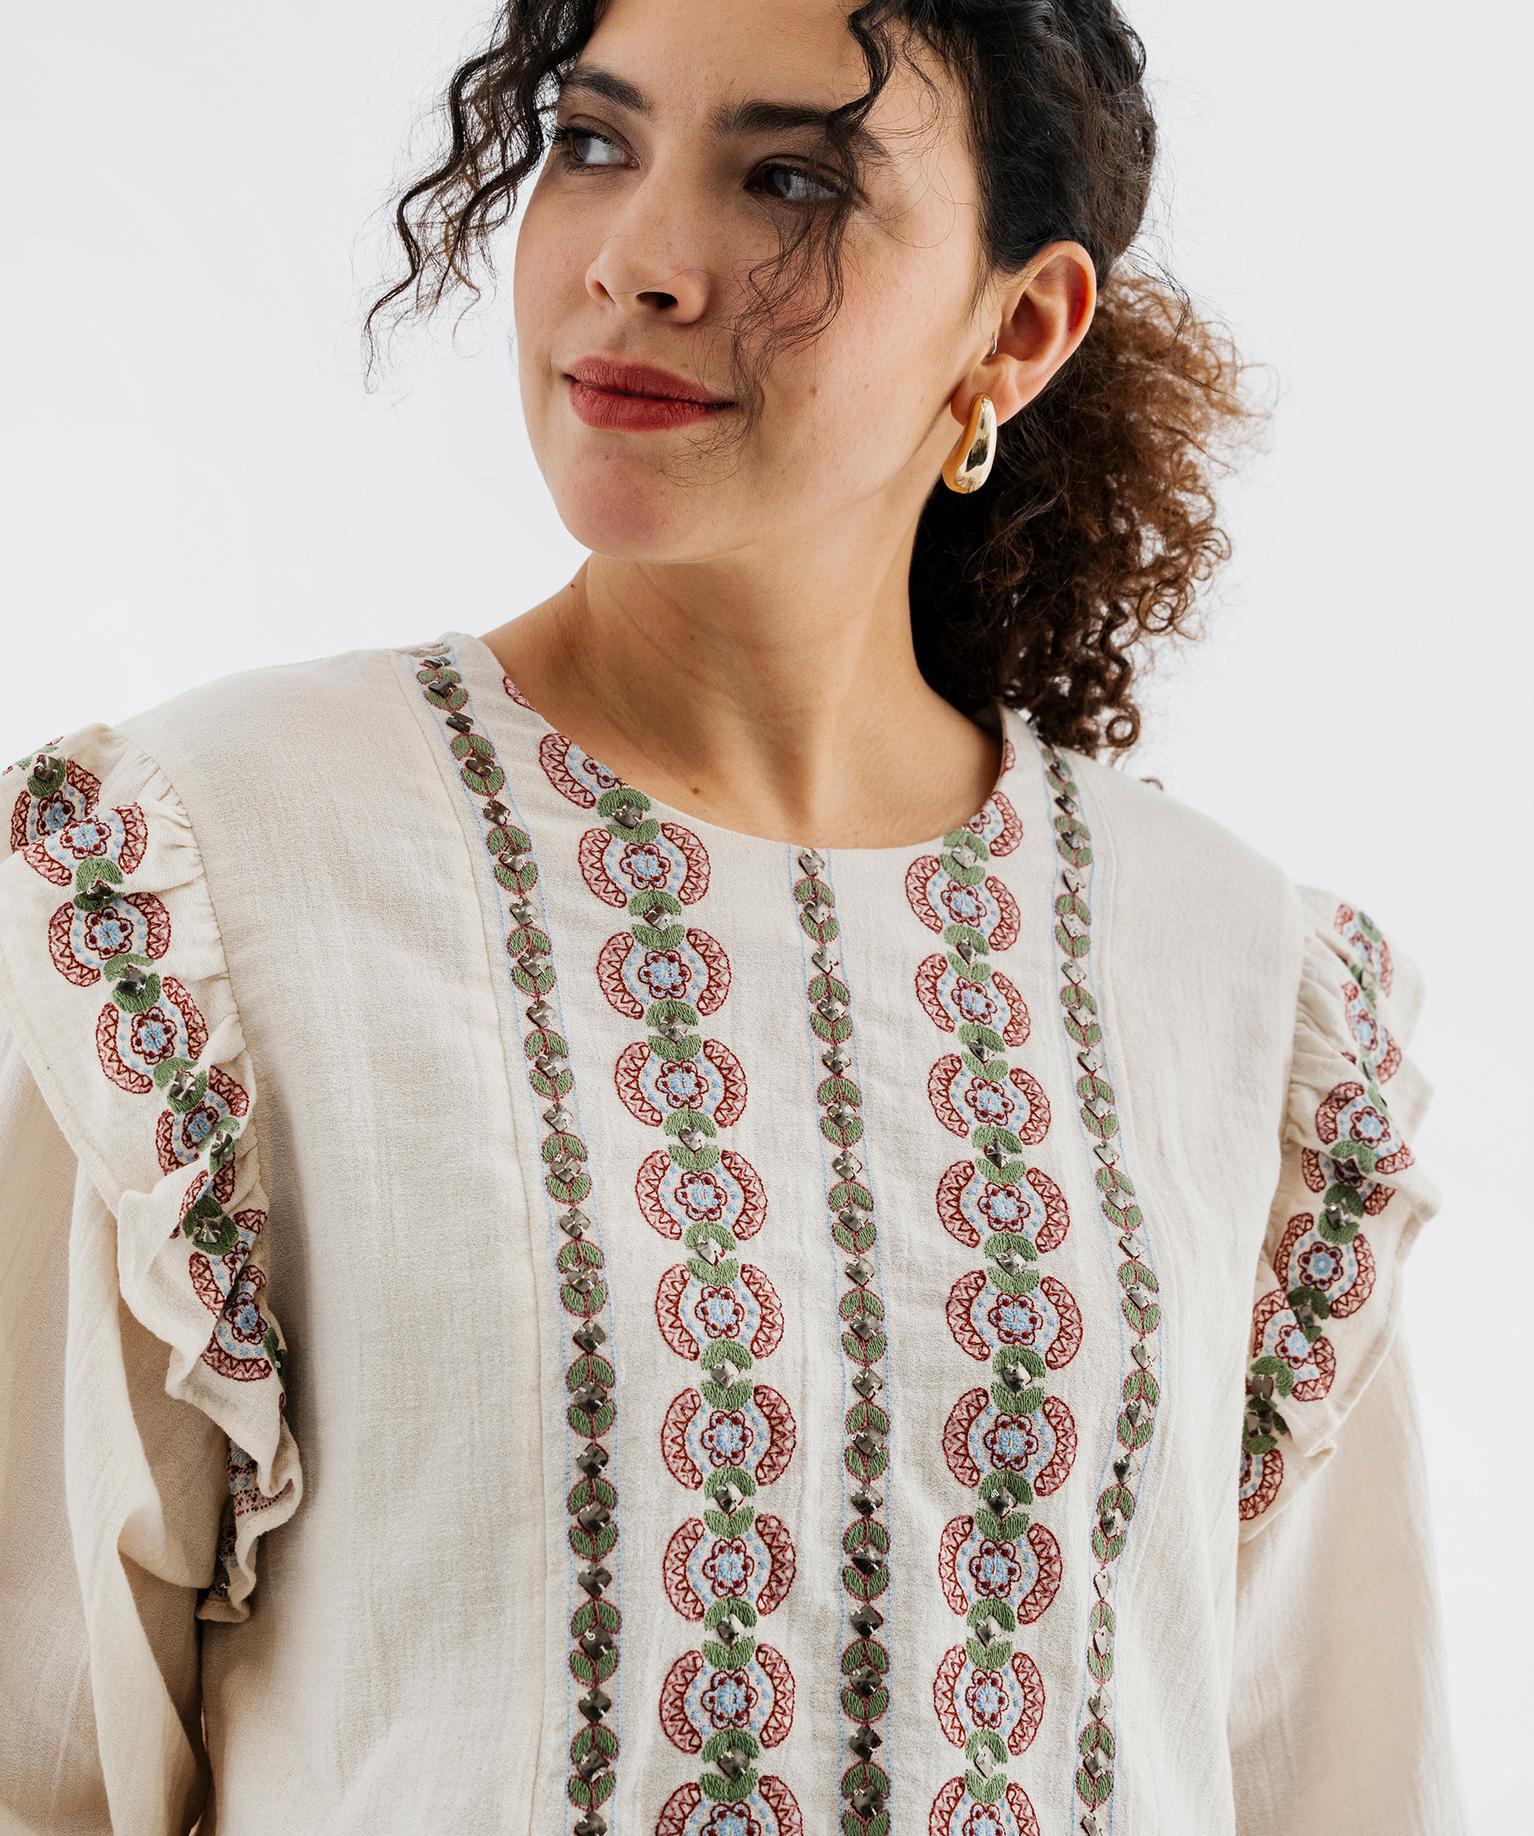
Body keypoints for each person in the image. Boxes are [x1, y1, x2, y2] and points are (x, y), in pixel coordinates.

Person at [0, 2, 1468, 1832]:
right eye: (591, 142)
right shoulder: (205, 873)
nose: (640, 260)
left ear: (1018, 327)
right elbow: (40, 1741)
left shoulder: (1235, 983)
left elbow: (1337, 1774)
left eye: (790, 180)